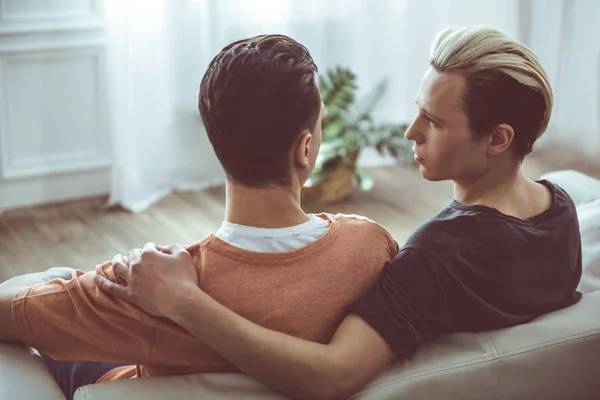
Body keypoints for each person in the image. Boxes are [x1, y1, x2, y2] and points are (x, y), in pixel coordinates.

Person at [95, 26, 583, 400]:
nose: (411, 131)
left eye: (433, 122)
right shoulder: (558, 209)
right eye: (418, 111)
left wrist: (185, 301)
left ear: (498, 138)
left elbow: (333, 374)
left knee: (79, 368)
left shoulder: (435, 257)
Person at [0, 34, 399, 400]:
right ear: (306, 147)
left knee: (54, 299)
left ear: (216, 140)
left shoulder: (148, 288)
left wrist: (52, 282)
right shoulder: (370, 246)